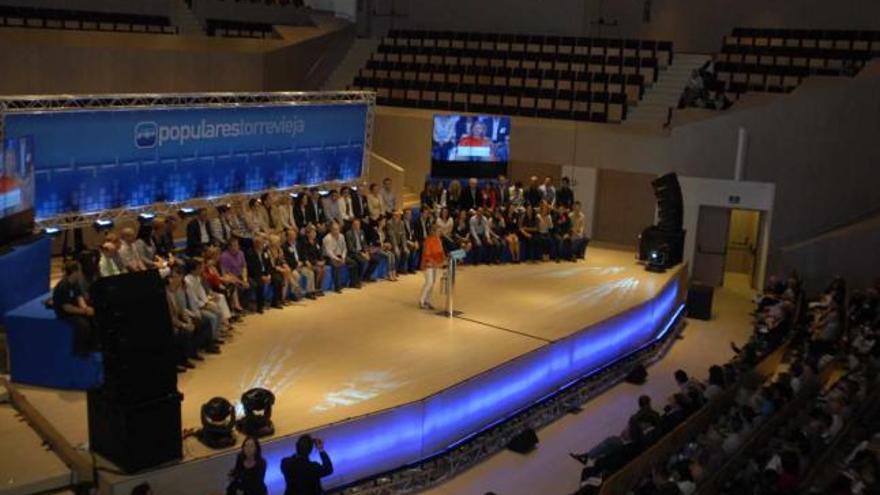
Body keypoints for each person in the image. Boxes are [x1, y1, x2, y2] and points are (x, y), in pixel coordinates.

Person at [52, 261, 95, 356]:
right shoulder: (63, 286)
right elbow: (67, 308)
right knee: (83, 325)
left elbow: (79, 297)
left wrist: (86, 308)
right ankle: (79, 350)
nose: (81, 272)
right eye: (79, 270)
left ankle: (93, 345)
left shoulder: (75, 283)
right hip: (65, 314)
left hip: (76, 309)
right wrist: (84, 312)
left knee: (94, 317)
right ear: (74, 272)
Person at [323, 222, 360, 292]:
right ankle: (337, 287)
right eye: (334, 229)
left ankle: (353, 283)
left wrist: (343, 257)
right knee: (336, 265)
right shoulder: (327, 238)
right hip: (329, 257)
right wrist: (337, 259)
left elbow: (344, 248)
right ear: (331, 230)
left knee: (353, 263)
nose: (336, 231)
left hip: (340, 255)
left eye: (338, 229)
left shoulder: (341, 236)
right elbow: (329, 252)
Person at [282, 228, 318, 299]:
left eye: (294, 235)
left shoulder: (298, 244)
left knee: (310, 273)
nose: (293, 236)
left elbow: (303, 255)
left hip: (301, 265)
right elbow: (287, 260)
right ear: (287, 237)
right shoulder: (285, 247)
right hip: (292, 267)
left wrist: (304, 262)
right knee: (296, 276)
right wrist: (296, 264)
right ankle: (294, 294)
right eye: (291, 235)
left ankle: (309, 292)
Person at [419, 224, 445, 310]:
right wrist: (432, 262)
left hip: (435, 264)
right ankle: (421, 301)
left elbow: (441, 252)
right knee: (429, 282)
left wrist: (443, 260)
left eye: (440, 231)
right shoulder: (428, 240)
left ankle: (428, 301)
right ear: (433, 231)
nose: (440, 232)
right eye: (438, 231)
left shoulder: (439, 240)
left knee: (432, 283)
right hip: (428, 264)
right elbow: (427, 254)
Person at [345, 218, 378, 283]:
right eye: (355, 225)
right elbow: (351, 248)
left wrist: (366, 252)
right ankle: (358, 279)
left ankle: (366, 276)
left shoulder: (361, 232)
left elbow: (364, 243)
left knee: (375, 260)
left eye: (358, 225)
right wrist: (361, 254)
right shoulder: (348, 234)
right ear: (352, 225)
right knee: (363, 261)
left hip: (362, 251)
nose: (357, 226)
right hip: (353, 253)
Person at [369, 216, 398, 281]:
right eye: (383, 221)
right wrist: (381, 244)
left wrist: (387, 244)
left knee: (392, 255)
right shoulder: (374, 230)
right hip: (376, 248)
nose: (384, 222)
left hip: (383, 248)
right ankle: (389, 274)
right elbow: (374, 242)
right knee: (389, 255)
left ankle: (393, 273)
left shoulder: (384, 231)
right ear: (379, 222)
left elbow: (385, 240)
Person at [301, 226, 327, 295]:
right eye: (312, 232)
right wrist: (316, 262)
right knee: (318, 270)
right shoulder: (304, 243)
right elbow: (305, 256)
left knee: (323, 269)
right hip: (309, 263)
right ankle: (314, 289)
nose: (314, 233)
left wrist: (322, 260)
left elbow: (319, 252)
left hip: (316, 262)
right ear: (308, 234)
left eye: (315, 232)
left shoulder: (316, 241)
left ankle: (319, 288)